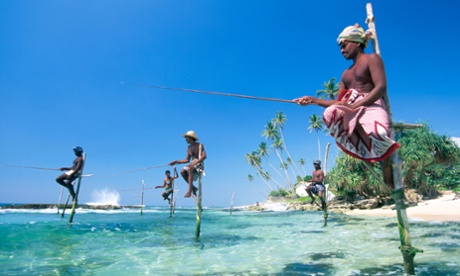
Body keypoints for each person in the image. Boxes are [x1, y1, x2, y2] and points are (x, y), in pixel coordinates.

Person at [294, 24, 400, 189]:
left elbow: (381, 88)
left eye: (344, 45)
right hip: (350, 108)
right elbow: (338, 102)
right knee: (330, 113)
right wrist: (313, 100)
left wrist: (357, 105)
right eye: (340, 47)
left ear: (357, 42)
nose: (342, 50)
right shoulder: (345, 74)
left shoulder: (372, 59)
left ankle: (387, 170)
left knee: (378, 133)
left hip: (371, 104)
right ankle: (362, 147)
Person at [169, 130, 207, 198]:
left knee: (190, 168)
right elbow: (187, 160)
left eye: (187, 138)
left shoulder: (200, 145)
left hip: (200, 163)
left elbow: (204, 156)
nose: (186, 139)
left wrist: (196, 162)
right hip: (192, 164)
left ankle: (189, 191)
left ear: (191, 138)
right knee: (182, 171)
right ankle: (193, 187)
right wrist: (176, 161)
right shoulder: (188, 147)